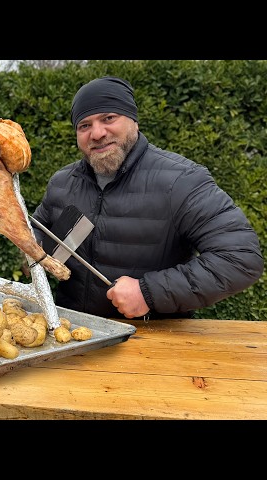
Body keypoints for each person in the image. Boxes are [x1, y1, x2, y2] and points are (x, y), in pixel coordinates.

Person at [31, 76, 264, 319]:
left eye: (109, 118)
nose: (97, 133)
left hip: (152, 340)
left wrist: (148, 292)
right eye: (84, 125)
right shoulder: (62, 183)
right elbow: (39, 233)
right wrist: (32, 247)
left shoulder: (182, 180)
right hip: (72, 334)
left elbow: (240, 259)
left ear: (133, 120)